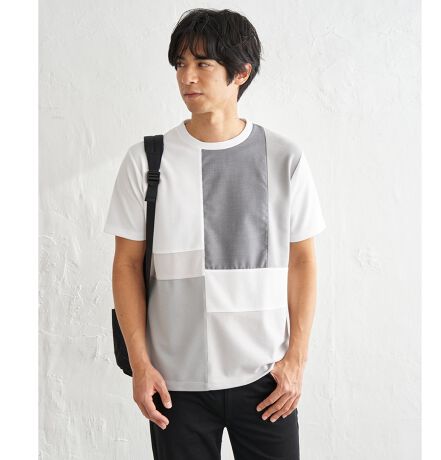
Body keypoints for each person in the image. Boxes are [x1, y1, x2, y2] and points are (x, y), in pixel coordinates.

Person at [103, 8, 326, 460]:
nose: (187, 76)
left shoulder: (284, 158)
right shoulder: (147, 160)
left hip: (266, 380)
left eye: (203, 64)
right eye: (180, 63)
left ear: (241, 72)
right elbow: (126, 264)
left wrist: (296, 361)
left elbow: (303, 261)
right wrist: (141, 366)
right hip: (175, 383)